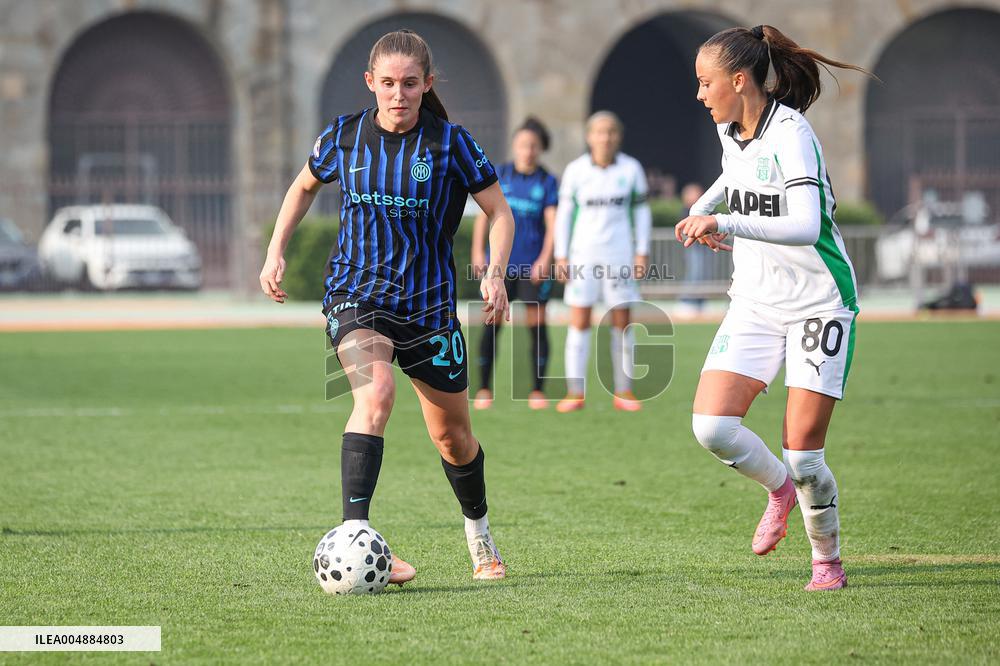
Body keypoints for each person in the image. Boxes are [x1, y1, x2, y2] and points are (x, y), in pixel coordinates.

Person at [259, 29, 514, 582]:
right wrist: (275, 251)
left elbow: (500, 212)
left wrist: (495, 275)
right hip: (355, 295)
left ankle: (479, 533)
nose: (399, 95)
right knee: (375, 394)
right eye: (389, 84)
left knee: (453, 437)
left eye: (411, 84)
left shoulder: (452, 144)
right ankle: (357, 539)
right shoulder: (345, 137)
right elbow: (302, 187)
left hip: (429, 308)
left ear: (427, 85)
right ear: (370, 83)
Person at [675, 25, 868, 591]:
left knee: (806, 455)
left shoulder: (792, 133)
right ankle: (779, 490)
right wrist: (701, 206)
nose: (699, 94)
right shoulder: (732, 127)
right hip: (757, 300)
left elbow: (808, 226)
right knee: (712, 426)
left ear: (739, 81)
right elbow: (736, 174)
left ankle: (827, 562)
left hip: (819, 303)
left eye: (705, 82)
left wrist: (725, 220)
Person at [553, 111, 652, 413]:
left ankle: (623, 391)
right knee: (579, 321)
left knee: (622, 323)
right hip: (584, 255)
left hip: (620, 255)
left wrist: (642, 251)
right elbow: (565, 216)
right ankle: (575, 393)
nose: (605, 137)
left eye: (610, 132)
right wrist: (561, 255)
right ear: (589, 136)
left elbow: (641, 213)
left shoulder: (632, 169)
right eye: (599, 131)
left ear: (618, 136)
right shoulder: (576, 171)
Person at [471, 117, 559, 411]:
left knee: (536, 327)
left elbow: (552, 224)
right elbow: (485, 217)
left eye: (533, 146)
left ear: (540, 149)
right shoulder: (500, 175)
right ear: (515, 146)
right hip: (499, 267)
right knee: (491, 326)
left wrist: (546, 258)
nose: (527, 151)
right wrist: (477, 253)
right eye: (523, 145)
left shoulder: (547, 182)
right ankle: (483, 388)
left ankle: (536, 390)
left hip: (531, 269)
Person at [677, 182, 711, 315]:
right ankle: (686, 302)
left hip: (704, 247)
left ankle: (699, 302)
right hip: (693, 247)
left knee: (702, 274)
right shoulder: (687, 210)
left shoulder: (704, 210)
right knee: (694, 274)